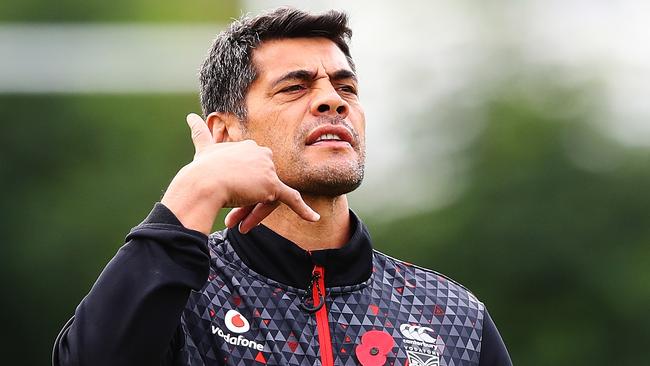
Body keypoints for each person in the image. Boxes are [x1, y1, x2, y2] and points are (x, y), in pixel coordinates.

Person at [53, 7, 512, 366]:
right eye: (295, 87)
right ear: (225, 132)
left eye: (346, 87)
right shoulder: (179, 295)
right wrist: (193, 192)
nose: (332, 99)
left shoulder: (452, 317)